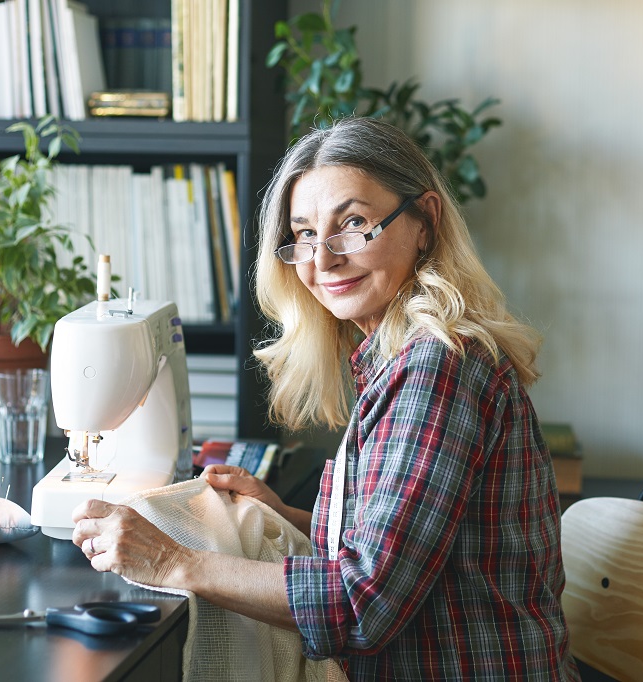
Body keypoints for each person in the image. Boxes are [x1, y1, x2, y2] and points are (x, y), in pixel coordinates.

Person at [73, 117, 578, 680]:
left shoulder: (437, 369)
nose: (323, 258)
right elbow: (411, 552)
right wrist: (285, 515)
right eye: (305, 234)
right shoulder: (399, 355)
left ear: (425, 222)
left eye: (355, 223)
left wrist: (174, 562)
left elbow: (364, 606)